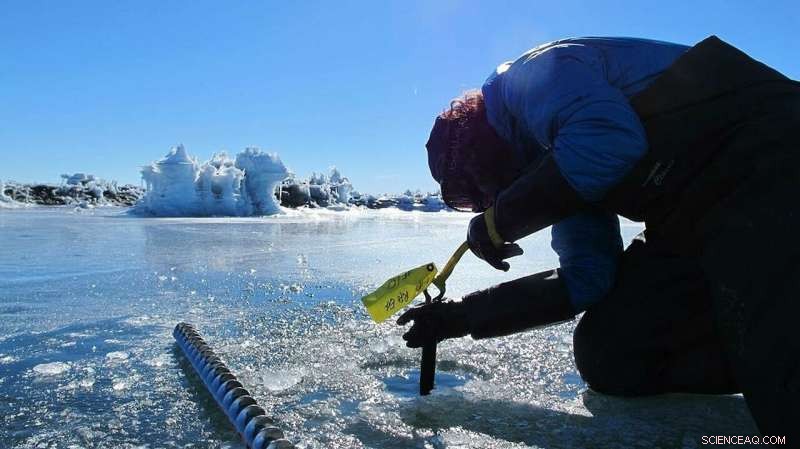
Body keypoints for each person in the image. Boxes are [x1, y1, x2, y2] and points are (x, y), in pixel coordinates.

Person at [396, 36, 799, 439]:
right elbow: (587, 277)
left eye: (475, 190)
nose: (487, 200)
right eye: (473, 202)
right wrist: (461, 316)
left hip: (767, 157)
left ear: (478, 149)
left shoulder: (531, 78)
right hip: (691, 217)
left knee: (772, 354)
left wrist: (502, 220)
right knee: (613, 351)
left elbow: (610, 140)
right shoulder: (557, 160)